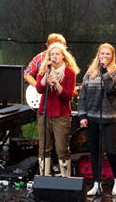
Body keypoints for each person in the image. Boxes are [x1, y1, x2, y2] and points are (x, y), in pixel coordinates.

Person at [78, 43, 116, 196]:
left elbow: (111, 89)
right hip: (92, 118)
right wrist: (82, 115)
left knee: (110, 151)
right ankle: (97, 184)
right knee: (95, 152)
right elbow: (82, 95)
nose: (104, 56)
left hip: (110, 118)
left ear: (112, 56)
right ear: (98, 55)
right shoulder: (90, 73)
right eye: (102, 54)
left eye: (107, 54)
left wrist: (104, 71)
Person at [36, 42, 79, 177]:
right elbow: (39, 88)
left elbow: (68, 96)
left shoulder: (69, 72)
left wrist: (57, 84)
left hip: (61, 114)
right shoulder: (44, 71)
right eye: (51, 54)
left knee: (61, 148)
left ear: (63, 57)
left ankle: (65, 179)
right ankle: (44, 177)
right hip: (44, 113)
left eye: (57, 54)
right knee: (44, 148)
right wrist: (46, 75)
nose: (54, 56)